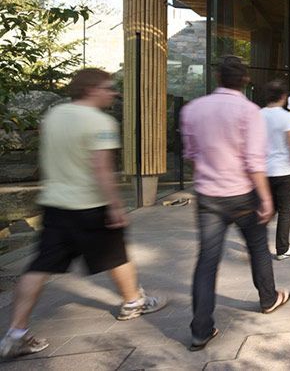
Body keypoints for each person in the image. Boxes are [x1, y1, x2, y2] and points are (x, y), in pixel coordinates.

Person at [0, 69, 167, 360]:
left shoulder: (54, 116)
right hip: (90, 205)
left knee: (39, 267)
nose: (113, 93)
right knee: (116, 255)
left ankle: (15, 334)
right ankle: (133, 302)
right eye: (108, 87)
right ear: (91, 90)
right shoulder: (100, 122)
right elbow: (101, 168)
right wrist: (115, 205)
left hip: (55, 205)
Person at [180, 56, 290, 352]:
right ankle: (268, 299)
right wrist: (265, 198)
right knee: (258, 248)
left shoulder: (193, 109)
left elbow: (191, 155)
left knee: (207, 261)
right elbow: (254, 161)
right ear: (245, 80)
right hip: (243, 194)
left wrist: (207, 177)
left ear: (218, 78)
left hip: (208, 196)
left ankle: (200, 330)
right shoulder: (249, 111)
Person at [261, 82, 290, 260]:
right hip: (285, 172)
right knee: (285, 212)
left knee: (267, 209)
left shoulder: (258, 115)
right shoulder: (287, 117)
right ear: (283, 97)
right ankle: (282, 249)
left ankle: (256, 244)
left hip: (265, 171)